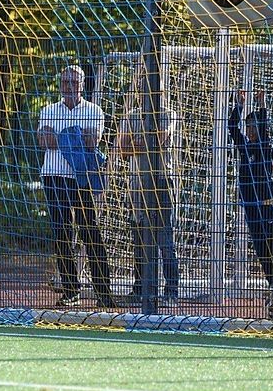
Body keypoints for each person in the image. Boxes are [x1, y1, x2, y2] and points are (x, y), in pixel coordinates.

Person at [37, 64, 114, 307]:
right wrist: (73, 137)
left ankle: (103, 291)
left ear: (82, 84)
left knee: (90, 232)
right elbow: (44, 141)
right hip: (54, 176)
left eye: (73, 82)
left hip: (82, 179)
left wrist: (63, 136)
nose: (68, 86)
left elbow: (92, 141)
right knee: (62, 233)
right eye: (65, 82)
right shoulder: (48, 110)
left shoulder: (94, 110)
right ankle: (71, 289)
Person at [228, 89, 273, 318]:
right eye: (249, 127)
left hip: (268, 207)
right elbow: (232, 129)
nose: (251, 130)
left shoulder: (265, 147)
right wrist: (239, 105)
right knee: (262, 252)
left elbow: (265, 129)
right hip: (251, 209)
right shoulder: (245, 148)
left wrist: (261, 103)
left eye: (254, 127)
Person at [116, 73, 180, 306]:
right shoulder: (132, 116)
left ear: (161, 91)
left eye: (153, 88)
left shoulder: (167, 114)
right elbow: (123, 149)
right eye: (143, 88)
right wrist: (143, 143)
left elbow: (160, 139)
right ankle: (141, 288)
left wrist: (139, 142)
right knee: (139, 235)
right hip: (137, 183)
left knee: (164, 236)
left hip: (161, 181)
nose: (148, 93)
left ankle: (171, 291)